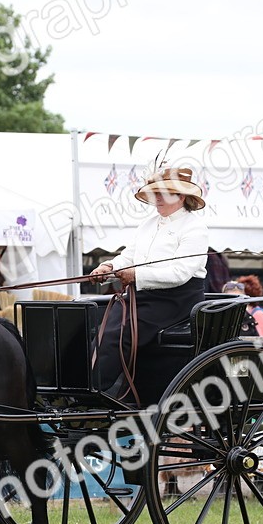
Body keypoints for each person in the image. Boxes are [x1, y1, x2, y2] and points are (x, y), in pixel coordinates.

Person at [89, 165, 208, 397]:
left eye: (163, 194)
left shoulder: (195, 228)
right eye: (156, 194)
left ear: (181, 196)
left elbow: (180, 273)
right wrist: (109, 266)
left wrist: (137, 276)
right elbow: (129, 255)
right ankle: (88, 385)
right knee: (101, 327)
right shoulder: (148, 224)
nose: (157, 199)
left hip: (176, 301)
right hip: (142, 296)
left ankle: (96, 390)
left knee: (118, 334)